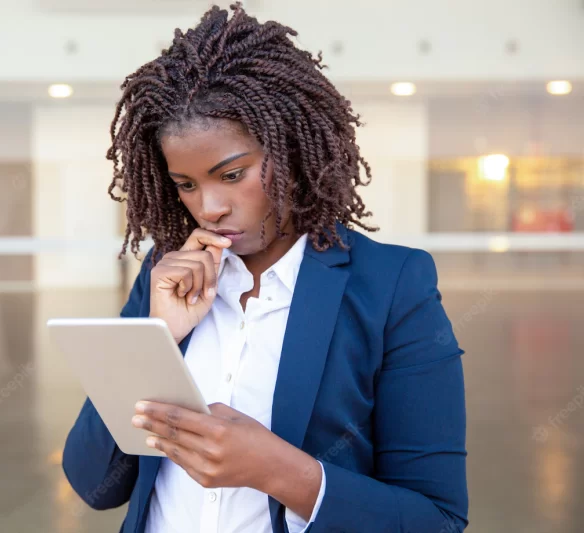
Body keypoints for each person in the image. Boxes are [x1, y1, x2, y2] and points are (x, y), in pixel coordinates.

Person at [62, 3, 468, 533]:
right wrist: (155, 335)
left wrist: (279, 471)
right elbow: (94, 482)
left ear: (292, 150)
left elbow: (435, 519)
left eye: (231, 175)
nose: (208, 208)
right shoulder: (168, 275)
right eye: (186, 185)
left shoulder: (392, 287)